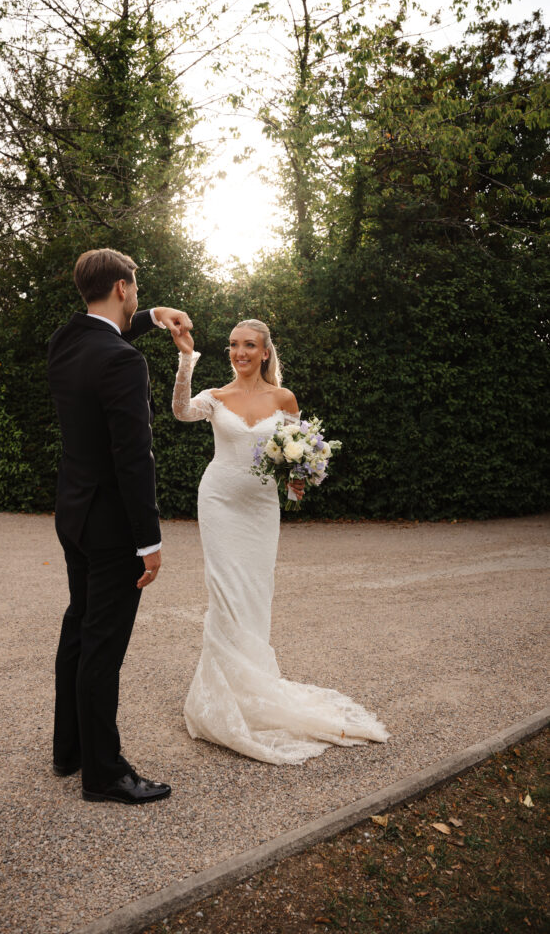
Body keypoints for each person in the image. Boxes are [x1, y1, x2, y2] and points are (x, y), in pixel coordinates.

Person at [172, 319, 389, 764]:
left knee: (255, 594)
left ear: (265, 352)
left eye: (248, 345)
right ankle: (222, 698)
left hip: (260, 510)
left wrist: (298, 483)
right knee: (224, 593)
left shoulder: (283, 399)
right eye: (233, 345)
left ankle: (254, 689)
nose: (239, 352)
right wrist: (185, 358)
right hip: (218, 502)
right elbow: (179, 411)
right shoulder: (216, 398)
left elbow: (297, 451)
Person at [48, 247, 192, 804]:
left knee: (78, 627)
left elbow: (104, 342)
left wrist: (152, 318)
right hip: (111, 528)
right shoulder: (123, 363)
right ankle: (105, 773)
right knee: (103, 645)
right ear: (122, 288)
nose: (136, 292)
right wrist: (148, 541)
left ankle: (70, 750)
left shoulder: (66, 342)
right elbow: (135, 458)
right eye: (135, 287)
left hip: (73, 512)